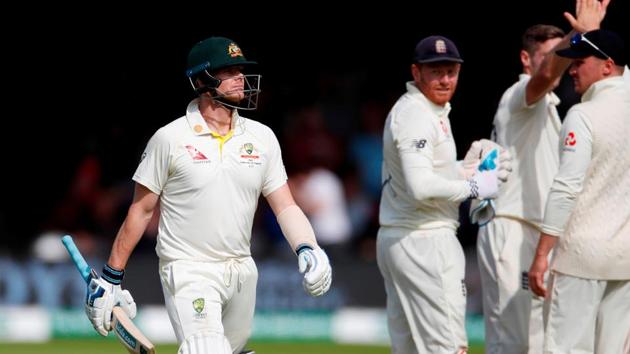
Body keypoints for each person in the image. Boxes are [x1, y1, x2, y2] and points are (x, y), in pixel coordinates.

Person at [82, 36, 332, 354]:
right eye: (230, 71)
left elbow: (285, 206)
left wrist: (309, 248)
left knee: (233, 349)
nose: (241, 77)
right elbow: (141, 211)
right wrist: (111, 277)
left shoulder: (262, 137)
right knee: (206, 349)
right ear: (202, 80)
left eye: (241, 69)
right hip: (188, 268)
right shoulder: (169, 139)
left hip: (242, 268)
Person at [472, 1, 608, 352]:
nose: (562, 63)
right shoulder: (518, 97)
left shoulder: (551, 110)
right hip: (512, 229)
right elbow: (547, 74)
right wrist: (579, 35)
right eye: (551, 55)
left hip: (535, 234)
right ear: (525, 59)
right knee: (513, 342)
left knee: (536, 341)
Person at [376, 35, 510, 353]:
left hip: (403, 237)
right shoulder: (417, 115)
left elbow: (428, 173)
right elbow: (421, 187)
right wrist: (474, 187)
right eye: (436, 71)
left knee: (408, 347)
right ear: (416, 71)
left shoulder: (428, 112)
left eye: (451, 71)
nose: (445, 79)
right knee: (448, 347)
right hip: (425, 241)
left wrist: (468, 167)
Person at [528, 29, 630, 353]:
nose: (572, 70)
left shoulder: (582, 115)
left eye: (580, 62)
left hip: (580, 259)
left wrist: (542, 254)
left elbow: (566, 187)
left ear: (607, 65)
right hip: (624, 261)